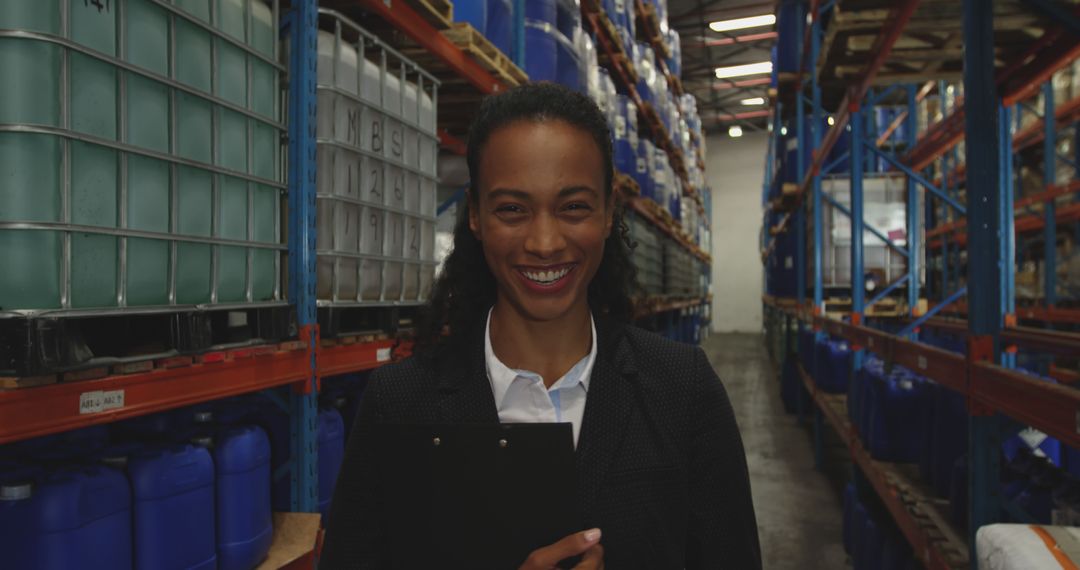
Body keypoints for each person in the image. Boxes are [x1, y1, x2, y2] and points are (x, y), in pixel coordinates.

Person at [320, 82, 761, 569]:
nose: (546, 242)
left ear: (610, 211)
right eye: (512, 209)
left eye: (573, 207)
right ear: (476, 217)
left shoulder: (682, 390)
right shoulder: (399, 402)